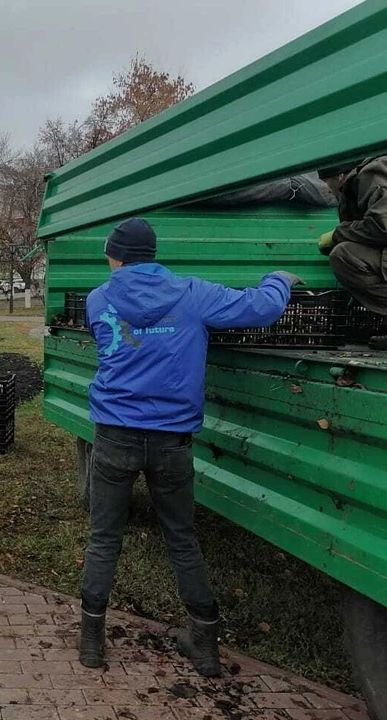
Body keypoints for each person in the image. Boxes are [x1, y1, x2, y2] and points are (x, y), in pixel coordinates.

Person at [79, 218, 300, 677]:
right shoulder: (193, 293)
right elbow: (259, 309)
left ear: (115, 255)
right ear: (154, 254)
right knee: (181, 538)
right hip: (171, 442)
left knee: (104, 538)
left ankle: (91, 642)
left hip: (114, 436)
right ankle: (204, 644)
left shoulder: (98, 299)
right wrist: (280, 279)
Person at [317, 158, 387, 349]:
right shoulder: (356, 185)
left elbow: (383, 226)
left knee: (343, 255)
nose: (327, 190)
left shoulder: (371, 174)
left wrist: (338, 234)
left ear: (340, 176)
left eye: (326, 182)